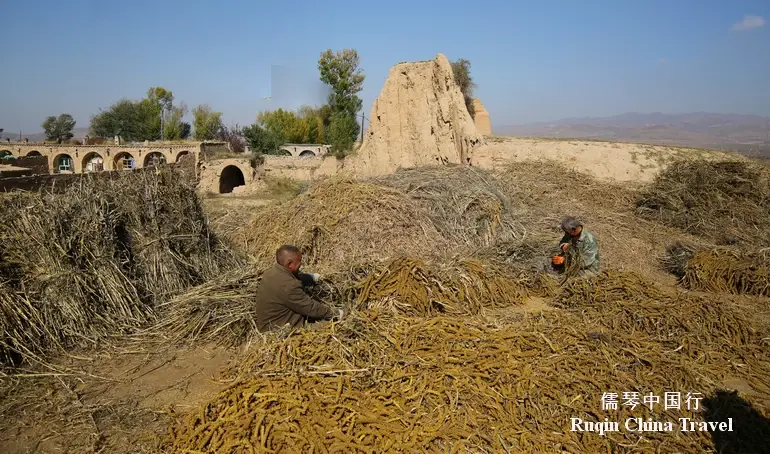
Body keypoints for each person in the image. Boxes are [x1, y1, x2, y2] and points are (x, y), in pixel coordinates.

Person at [254, 244, 342, 332]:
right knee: (330, 325)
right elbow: (310, 307)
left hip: (268, 325)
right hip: (280, 331)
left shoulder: (272, 272)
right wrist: (336, 313)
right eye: (299, 261)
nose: (301, 263)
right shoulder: (289, 286)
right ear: (289, 264)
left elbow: (293, 277)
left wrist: (311, 278)